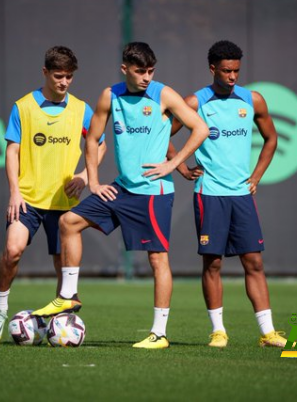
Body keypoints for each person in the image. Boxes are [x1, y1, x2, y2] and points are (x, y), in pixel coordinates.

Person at [32, 42, 209, 349]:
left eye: (151, 71)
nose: (146, 77)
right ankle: (67, 297)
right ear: (125, 68)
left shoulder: (163, 94)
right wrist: (95, 182)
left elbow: (200, 128)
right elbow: (92, 140)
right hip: (122, 189)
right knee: (69, 222)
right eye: (140, 71)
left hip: (154, 192)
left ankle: (159, 333)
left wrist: (173, 163)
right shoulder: (109, 95)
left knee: (157, 259)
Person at [0, 46, 106, 344]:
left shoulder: (81, 109)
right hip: (27, 199)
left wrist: (84, 176)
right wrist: (14, 192)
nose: (64, 82)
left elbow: (99, 145)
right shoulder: (23, 107)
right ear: (45, 73)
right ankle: (0, 308)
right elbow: (12, 151)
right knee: (12, 251)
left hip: (62, 203)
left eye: (69, 77)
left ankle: (60, 320)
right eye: (58, 76)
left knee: (60, 266)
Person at [169, 40, 286, 348]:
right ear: (213, 69)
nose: (232, 76)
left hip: (241, 195)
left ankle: (268, 332)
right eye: (226, 70)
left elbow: (272, 138)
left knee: (254, 262)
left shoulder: (253, 100)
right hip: (209, 195)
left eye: (236, 70)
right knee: (214, 263)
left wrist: (257, 175)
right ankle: (218, 331)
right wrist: (180, 168)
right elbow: (162, 133)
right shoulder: (196, 102)